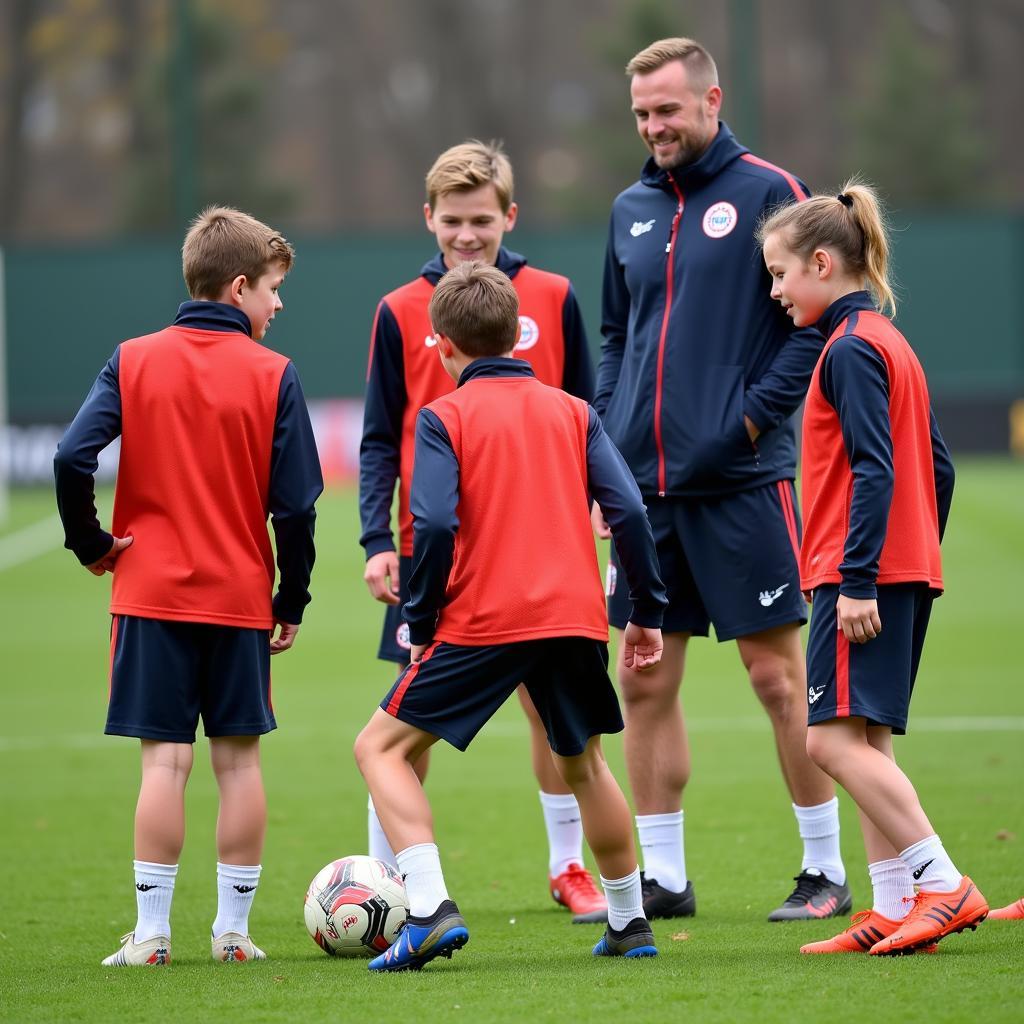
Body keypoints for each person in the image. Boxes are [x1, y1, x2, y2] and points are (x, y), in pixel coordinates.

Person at [593, 36, 848, 921]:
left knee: (778, 680)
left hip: (741, 480)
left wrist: (745, 419)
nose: (654, 127)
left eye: (667, 109)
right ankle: (664, 878)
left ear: (711, 100)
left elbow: (811, 323)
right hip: (644, 490)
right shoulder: (627, 205)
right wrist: (608, 445)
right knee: (643, 680)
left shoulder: (770, 191)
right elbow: (616, 338)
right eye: (641, 114)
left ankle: (824, 870)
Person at [353, 261, 668, 971]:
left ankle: (430, 909)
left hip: (484, 621)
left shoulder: (444, 416)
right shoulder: (572, 410)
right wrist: (643, 611)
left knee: (380, 748)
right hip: (574, 618)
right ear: (518, 335)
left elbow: (430, 522)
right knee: (585, 763)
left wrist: (424, 614)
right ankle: (629, 922)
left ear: (441, 345)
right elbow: (631, 514)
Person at [54, 206, 323, 966]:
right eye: (273, 289)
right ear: (239, 287)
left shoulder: (132, 358)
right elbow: (296, 506)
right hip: (240, 600)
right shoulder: (276, 374)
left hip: (150, 597)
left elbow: (73, 458)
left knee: (164, 765)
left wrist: (92, 546)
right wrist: (290, 598)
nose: (278, 305)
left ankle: (151, 936)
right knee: (237, 764)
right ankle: (233, 935)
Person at [358, 141, 606, 923]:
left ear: (510, 216)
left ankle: (568, 867)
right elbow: (376, 437)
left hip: (538, 548)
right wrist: (377, 541)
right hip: (431, 552)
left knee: (551, 717)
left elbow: (587, 407)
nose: (468, 236)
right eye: (454, 221)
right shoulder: (398, 310)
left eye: (483, 220)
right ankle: (386, 882)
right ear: (429, 218)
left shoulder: (555, 295)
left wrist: (596, 501)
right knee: (406, 721)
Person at [758, 179, 988, 955]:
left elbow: (875, 467)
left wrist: (861, 575)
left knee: (827, 741)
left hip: (861, 576)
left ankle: (943, 882)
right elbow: (940, 469)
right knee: (867, 739)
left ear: (822, 263)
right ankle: (894, 905)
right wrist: (915, 556)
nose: (776, 290)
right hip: (902, 567)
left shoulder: (851, 349)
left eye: (781, 273)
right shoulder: (888, 341)